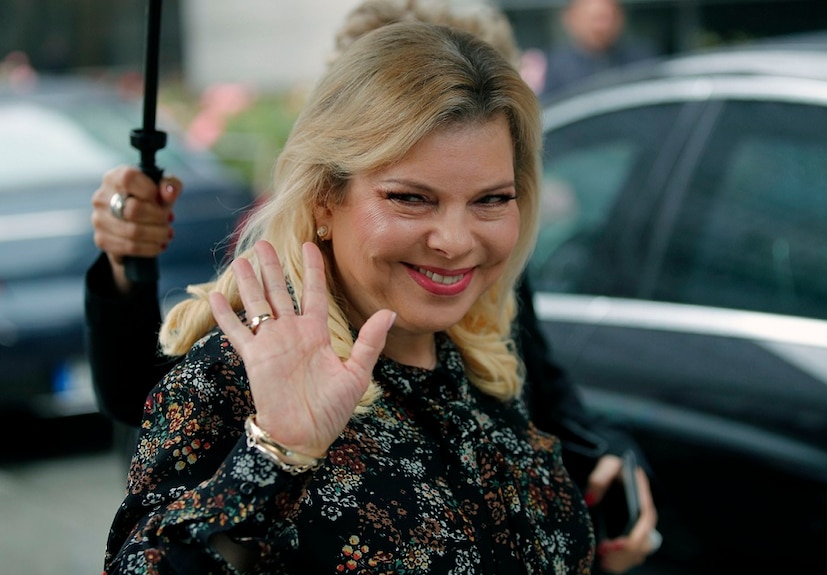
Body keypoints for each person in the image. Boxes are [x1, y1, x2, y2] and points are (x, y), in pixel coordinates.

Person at [87, 2, 659, 572]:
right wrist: (277, 454)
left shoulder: (482, 349)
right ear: (323, 199)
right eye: (410, 198)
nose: (455, 242)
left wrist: (610, 473)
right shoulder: (240, 377)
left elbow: (563, 419)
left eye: (491, 199)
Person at [539, 0, 658, 99]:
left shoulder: (640, 59)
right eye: (595, 19)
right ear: (572, 20)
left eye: (607, 18)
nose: (601, 27)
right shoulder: (557, 66)